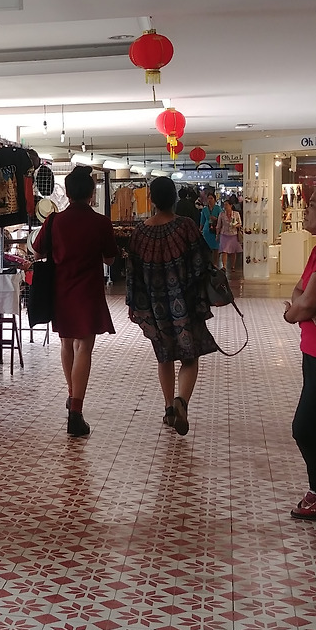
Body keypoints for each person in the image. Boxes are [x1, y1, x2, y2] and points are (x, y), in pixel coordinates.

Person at [126, 177, 218, 436]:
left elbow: (133, 274)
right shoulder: (186, 226)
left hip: (155, 306)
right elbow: (202, 263)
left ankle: (169, 408)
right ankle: (182, 402)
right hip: (185, 303)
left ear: (152, 200)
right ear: (174, 199)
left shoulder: (140, 233)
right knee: (190, 357)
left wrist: (134, 305)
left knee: (164, 356)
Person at [34, 166, 120, 437]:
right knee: (84, 347)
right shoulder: (100, 222)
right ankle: (76, 411)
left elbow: (37, 251)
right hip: (88, 291)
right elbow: (110, 259)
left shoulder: (54, 221)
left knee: (66, 343)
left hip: (61, 289)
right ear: (91, 194)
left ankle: (72, 396)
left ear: (68, 193)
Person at [283, 187, 316, 519]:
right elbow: (300, 291)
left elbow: (306, 302)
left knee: (305, 426)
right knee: (315, 424)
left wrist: (293, 312)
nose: (306, 210)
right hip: (311, 349)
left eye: (312, 204)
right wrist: (303, 305)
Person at [216, 196, 243, 273]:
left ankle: (233, 266)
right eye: (224, 205)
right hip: (224, 234)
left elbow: (240, 223)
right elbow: (218, 225)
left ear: (231, 205)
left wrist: (235, 225)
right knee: (224, 250)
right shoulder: (222, 214)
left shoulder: (236, 214)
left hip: (233, 234)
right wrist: (217, 234)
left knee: (233, 251)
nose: (225, 206)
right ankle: (224, 266)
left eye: (226, 205)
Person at [198, 188, 222, 264]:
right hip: (207, 230)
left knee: (216, 248)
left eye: (211, 198)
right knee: (207, 248)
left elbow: (222, 218)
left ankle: (215, 263)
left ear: (215, 200)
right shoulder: (204, 209)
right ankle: (208, 263)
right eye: (208, 198)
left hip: (215, 230)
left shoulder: (218, 208)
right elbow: (202, 221)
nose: (209, 200)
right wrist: (200, 230)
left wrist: (216, 219)